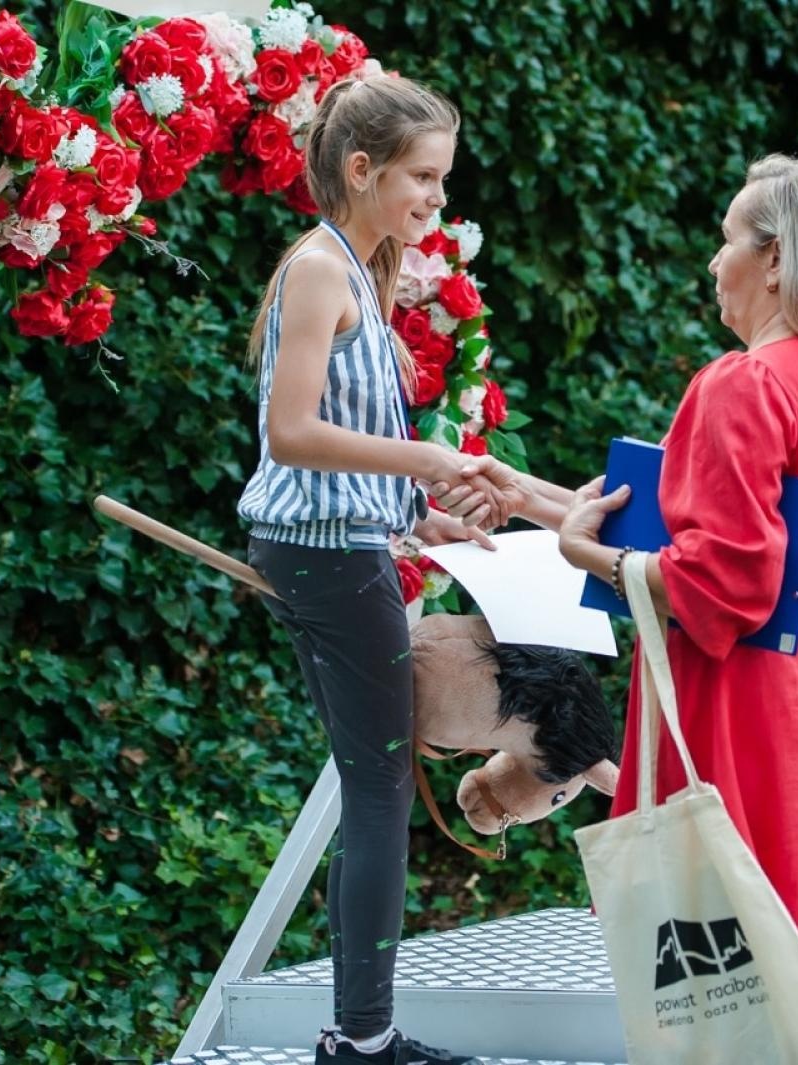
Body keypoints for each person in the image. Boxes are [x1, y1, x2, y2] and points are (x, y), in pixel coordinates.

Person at [235, 76, 568, 1065]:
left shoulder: (356, 271)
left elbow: (342, 459)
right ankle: (363, 1043)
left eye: (441, 180)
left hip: (348, 550)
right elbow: (291, 435)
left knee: (376, 792)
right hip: (324, 565)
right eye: (423, 178)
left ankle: (363, 1033)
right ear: (361, 169)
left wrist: (426, 521)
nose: (434, 198)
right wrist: (431, 463)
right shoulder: (318, 273)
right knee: (378, 797)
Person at [550, 155, 798, 955]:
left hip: (729, 693)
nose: (716, 260)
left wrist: (589, 560)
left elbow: (727, 578)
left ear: (776, 260)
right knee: (792, 954)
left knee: (718, 971)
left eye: (728, 238)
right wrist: (531, 499)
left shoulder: (742, 381)